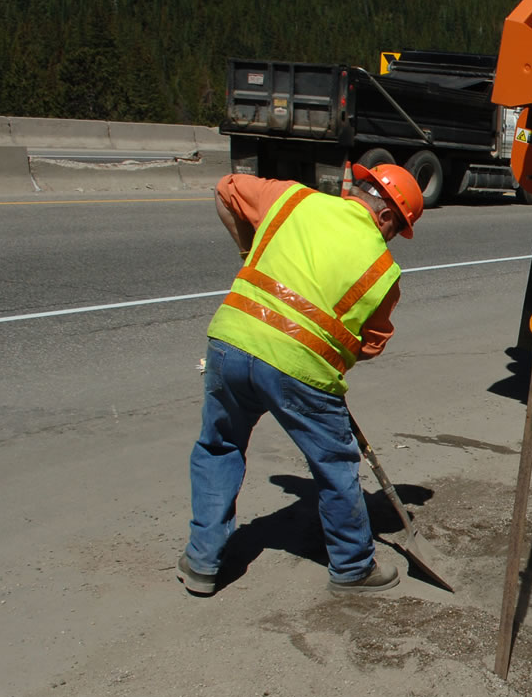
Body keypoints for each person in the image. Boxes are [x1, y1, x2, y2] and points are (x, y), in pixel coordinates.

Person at [177, 163, 426, 597]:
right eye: (396, 229)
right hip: (301, 370)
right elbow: (369, 345)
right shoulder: (384, 272)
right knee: (334, 465)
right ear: (386, 217)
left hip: (230, 341)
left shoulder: (294, 199)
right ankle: (352, 567)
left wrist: (247, 251)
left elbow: (225, 189)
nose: (391, 239)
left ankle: (202, 561)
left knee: (220, 445)